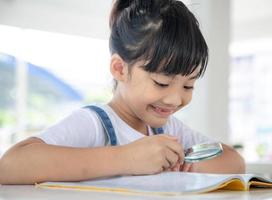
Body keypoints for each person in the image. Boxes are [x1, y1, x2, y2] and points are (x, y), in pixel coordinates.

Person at [0, 0, 245, 185]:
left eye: (188, 86)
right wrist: (126, 158)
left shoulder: (169, 130)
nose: (175, 99)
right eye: (161, 83)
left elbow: (234, 161)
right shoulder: (95, 123)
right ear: (119, 69)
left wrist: (188, 165)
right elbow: (10, 165)